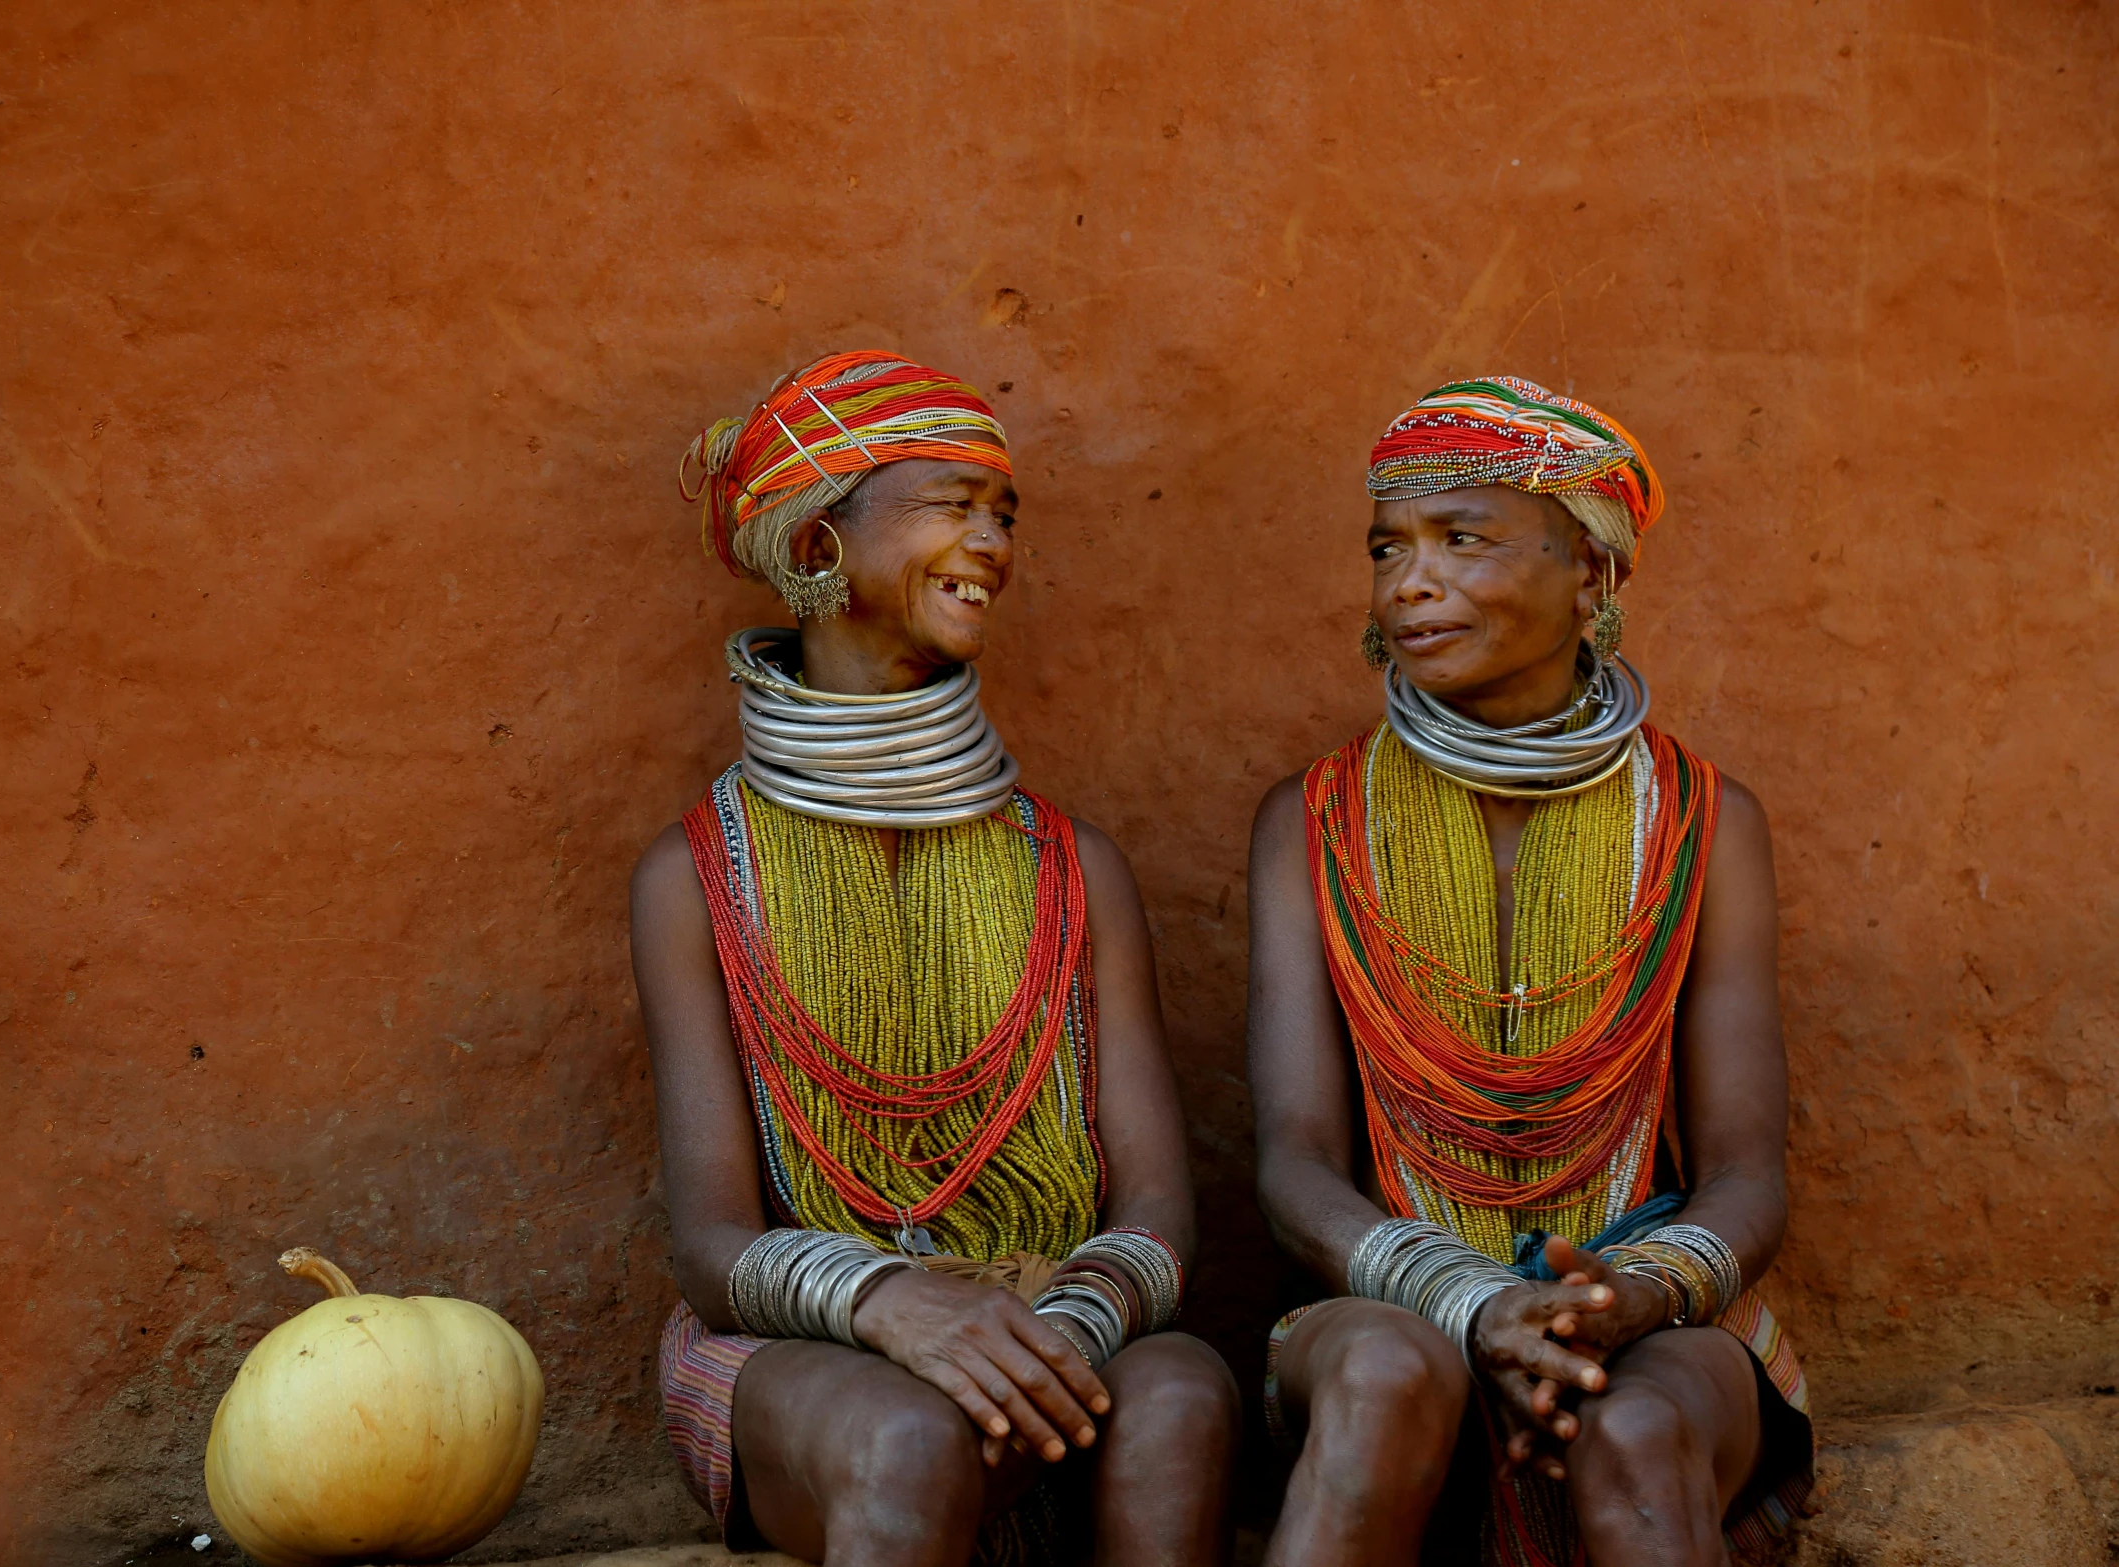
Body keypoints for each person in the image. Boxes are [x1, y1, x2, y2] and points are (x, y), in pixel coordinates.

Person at [631, 350, 1239, 1567]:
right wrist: (888, 1301)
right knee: (911, 1438)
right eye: (947, 506)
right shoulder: (695, 877)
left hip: (1067, 1309)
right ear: (815, 547)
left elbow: (1160, 1204)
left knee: (1177, 1394)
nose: (992, 542)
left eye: (1003, 513)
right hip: (811, 1345)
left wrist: (1061, 1315)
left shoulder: (1074, 869)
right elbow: (709, 1243)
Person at [1246, 377, 1813, 1567]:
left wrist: (1623, 1296)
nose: (1410, 581)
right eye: (1386, 547)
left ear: (1593, 575)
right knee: (1381, 1383)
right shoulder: (1313, 822)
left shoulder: (1706, 823)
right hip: (1387, 1293)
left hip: (1646, 1288)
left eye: (1464, 540)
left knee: (1638, 1428)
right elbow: (1294, 1163)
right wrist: (1465, 1298)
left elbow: (1747, 1173)